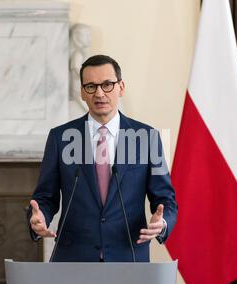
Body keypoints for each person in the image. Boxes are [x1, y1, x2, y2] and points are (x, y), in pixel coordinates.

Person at [27, 54, 177, 262]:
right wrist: (39, 216)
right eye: (90, 86)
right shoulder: (60, 138)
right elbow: (45, 197)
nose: (99, 93)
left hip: (128, 256)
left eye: (107, 84)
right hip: (74, 258)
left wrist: (162, 223)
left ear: (121, 87)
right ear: (82, 92)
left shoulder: (147, 138)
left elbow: (165, 199)